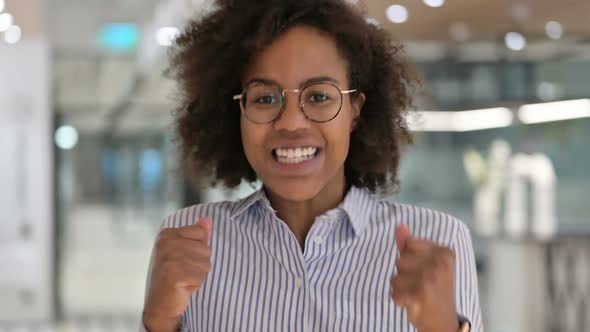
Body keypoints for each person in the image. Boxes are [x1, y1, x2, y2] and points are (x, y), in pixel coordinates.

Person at [141, 0, 482, 331]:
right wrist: (158, 323)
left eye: (319, 96)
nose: (291, 123)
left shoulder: (440, 243)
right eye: (265, 98)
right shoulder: (187, 245)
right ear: (237, 113)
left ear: (355, 110)